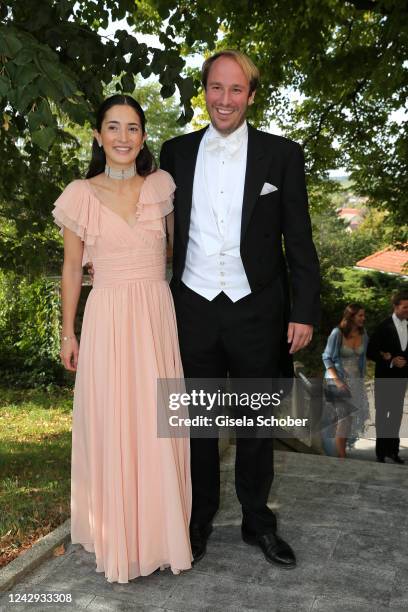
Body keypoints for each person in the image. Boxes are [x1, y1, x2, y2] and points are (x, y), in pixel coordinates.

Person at [160, 50, 320, 569]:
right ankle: (198, 518)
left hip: (258, 310)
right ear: (202, 91)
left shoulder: (282, 155)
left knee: (255, 426)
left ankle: (258, 523)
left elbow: (298, 239)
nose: (224, 99)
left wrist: (304, 311)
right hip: (194, 307)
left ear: (251, 95)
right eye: (215, 88)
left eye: (235, 90)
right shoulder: (175, 153)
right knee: (198, 424)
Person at [52, 95, 192, 583]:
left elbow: (182, 253)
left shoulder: (161, 187)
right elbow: (72, 268)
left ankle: (159, 536)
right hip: (108, 315)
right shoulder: (79, 194)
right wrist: (68, 330)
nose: (123, 137)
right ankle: (119, 540)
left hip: (156, 315)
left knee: (157, 422)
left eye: (133, 128)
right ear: (97, 135)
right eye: (113, 127)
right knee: (115, 420)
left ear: (143, 137)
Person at [322, 303, 369, 458]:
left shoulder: (364, 334)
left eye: (363, 315)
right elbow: (326, 358)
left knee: (349, 420)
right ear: (351, 316)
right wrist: (338, 382)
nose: (363, 318)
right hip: (337, 380)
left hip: (355, 381)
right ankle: (342, 457)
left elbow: (364, 358)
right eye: (360, 315)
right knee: (344, 418)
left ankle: (338, 451)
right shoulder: (337, 333)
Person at [367, 290, 408, 464]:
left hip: (401, 379)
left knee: (397, 415)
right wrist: (391, 360)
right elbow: (371, 352)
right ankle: (381, 453)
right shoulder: (383, 326)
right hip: (384, 378)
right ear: (395, 306)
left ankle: (393, 451)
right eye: (405, 307)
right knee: (383, 415)